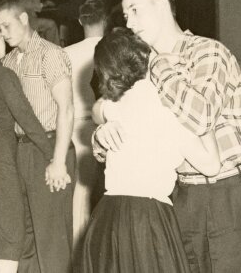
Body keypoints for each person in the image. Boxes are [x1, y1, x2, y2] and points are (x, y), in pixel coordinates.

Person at [92, 0, 241, 272]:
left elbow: (200, 116)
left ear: (162, 5)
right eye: (126, 15)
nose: (130, 22)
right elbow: (105, 106)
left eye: (135, 10)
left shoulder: (207, 52)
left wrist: (158, 64)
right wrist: (103, 127)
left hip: (227, 194)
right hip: (180, 195)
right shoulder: (141, 64)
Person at [83, 28, 221, 273]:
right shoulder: (169, 111)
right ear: (148, 61)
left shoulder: (114, 106)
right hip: (147, 219)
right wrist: (204, 122)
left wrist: (101, 125)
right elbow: (211, 165)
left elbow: (98, 109)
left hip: (108, 216)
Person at [0, 0, 75, 273]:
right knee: (24, 235)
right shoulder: (6, 61)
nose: (2, 34)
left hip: (49, 148)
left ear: (24, 19)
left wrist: (58, 161)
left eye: (6, 26)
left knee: (51, 236)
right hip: (18, 152)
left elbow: (66, 109)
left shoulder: (50, 54)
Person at [0, 19, 55, 273]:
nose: (5, 39)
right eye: (0, 34)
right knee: (11, 238)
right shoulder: (3, 73)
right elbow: (26, 118)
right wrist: (53, 155)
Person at [61, 0, 106, 266]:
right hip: (105, 124)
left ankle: (80, 249)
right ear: (106, 20)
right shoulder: (110, 48)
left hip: (75, 124)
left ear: (80, 21)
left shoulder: (66, 53)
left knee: (81, 190)